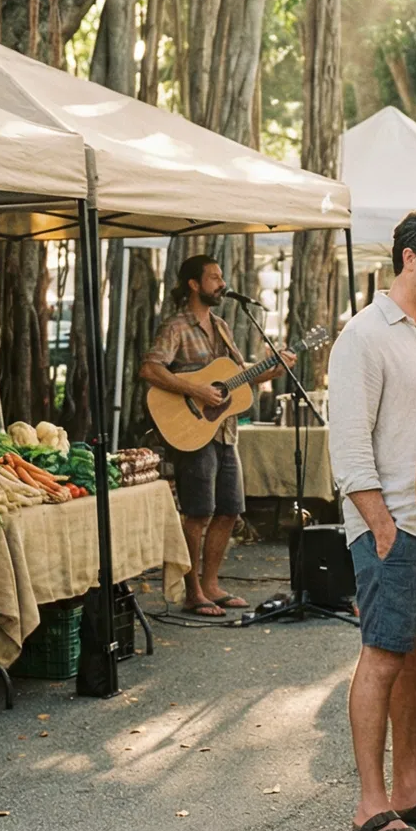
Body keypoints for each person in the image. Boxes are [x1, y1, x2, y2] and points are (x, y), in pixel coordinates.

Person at [329, 208, 416, 831]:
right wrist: (381, 527)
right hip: (392, 528)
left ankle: (410, 788)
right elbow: (349, 446)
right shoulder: (362, 336)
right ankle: (371, 803)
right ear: (409, 259)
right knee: (383, 657)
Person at [139, 254, 289, 616]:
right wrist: (196, 391)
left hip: (224, 431)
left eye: (222, 277)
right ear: (194, 284)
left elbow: (236, 376)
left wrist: (273, 368)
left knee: (229, 510)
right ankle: (192, 591)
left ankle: (211, 584)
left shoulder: (221, 325)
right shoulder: (176, 326)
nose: (222, 284)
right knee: (199, 512)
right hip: (191, 430)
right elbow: (150, 369)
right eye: (214, 278)